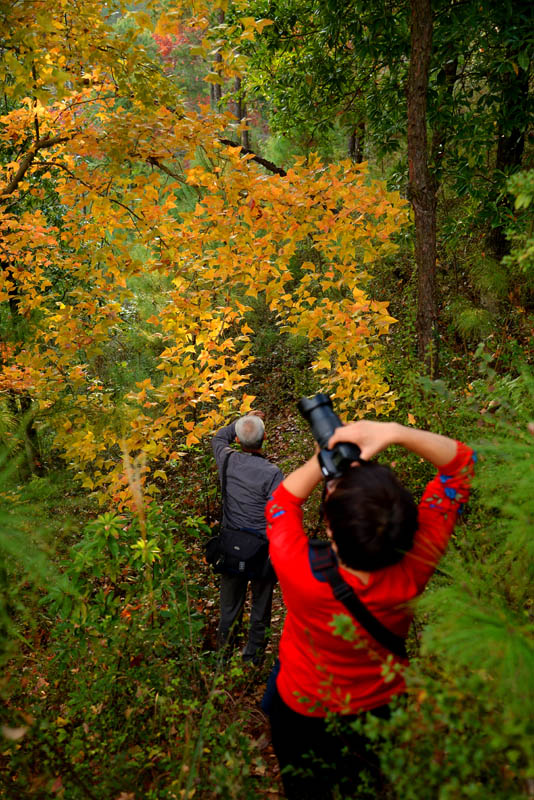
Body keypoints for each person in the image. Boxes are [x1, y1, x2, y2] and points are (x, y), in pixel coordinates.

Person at [264, 419, 476, 799]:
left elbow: (281, 502)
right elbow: (460, 464)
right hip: (380, 707)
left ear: (329, 527)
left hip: (302, 707)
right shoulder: (418, 562)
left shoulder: (298, 569)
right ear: (409, 519)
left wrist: (321, 459)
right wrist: (396, 432)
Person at [212, 411, 283, 665]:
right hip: (263, 551)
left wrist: (244, 420)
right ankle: (253, 660)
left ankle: (223, 660)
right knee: (261, 607)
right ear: (264, 438)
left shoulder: (227, 460)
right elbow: (279, 513)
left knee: (229, 608)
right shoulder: (272, 472)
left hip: (231, 546)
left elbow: (219, 437)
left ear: (239, 441)